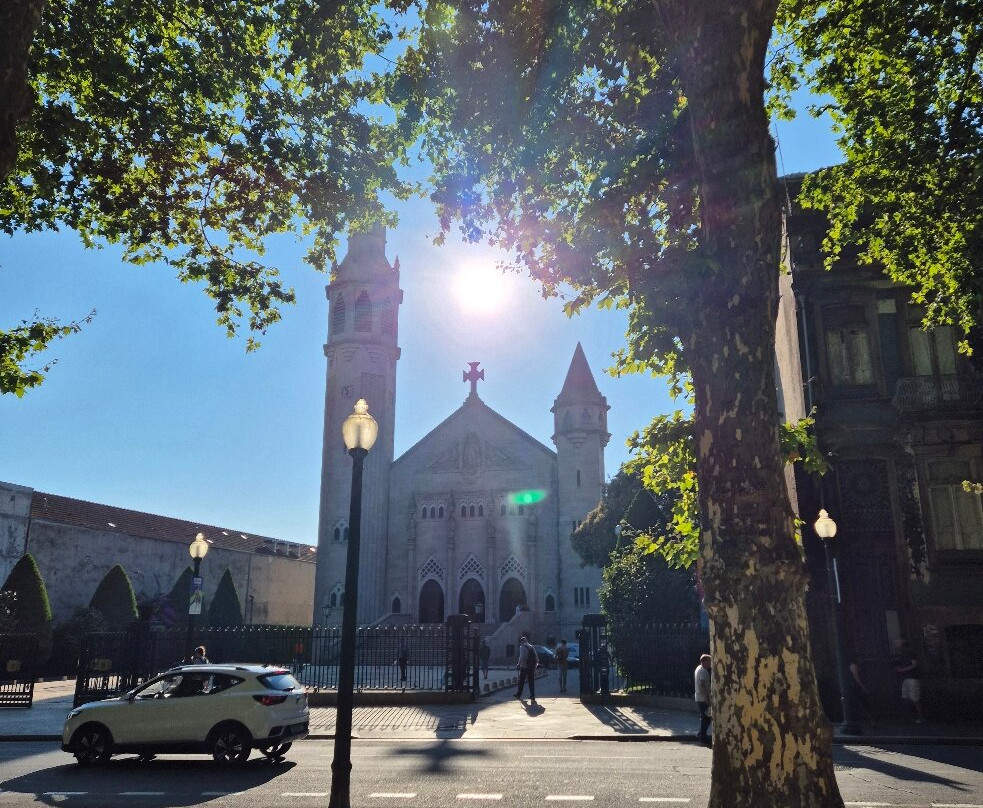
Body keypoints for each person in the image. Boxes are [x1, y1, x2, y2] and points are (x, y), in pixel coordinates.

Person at [892, 640, 924, 723]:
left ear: (901, 643)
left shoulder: (909, 651)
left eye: (896, 643)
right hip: (906, 677)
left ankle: (920, 717)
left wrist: (902, 670)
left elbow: (914, 664)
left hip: (911, 677)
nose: (895, 645)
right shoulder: (901, 653)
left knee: (914, 698)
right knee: (909, 697)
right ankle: (913, 716)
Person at [694, 653, 712, 745]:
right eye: (709, 661)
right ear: (704, 661)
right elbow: (702, 685)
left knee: (705, 717)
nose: (710, 664)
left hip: (699, 697)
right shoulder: (703, 671)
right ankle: (702, 737)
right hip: (702, 698)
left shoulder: (698, 668)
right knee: (707, 718)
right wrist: (707, 699)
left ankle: (700, 734)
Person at [515, 636, 538, 704]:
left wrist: (519, 664)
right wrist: (535, 664)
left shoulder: (522, 647)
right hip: (531, 667)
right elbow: (536, 657)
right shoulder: (531, 646)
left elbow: (522, 657)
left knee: (521, 681)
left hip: (524, 666)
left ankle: (518, 694)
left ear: (521, 641)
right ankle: (532, 695)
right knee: (531, 681)